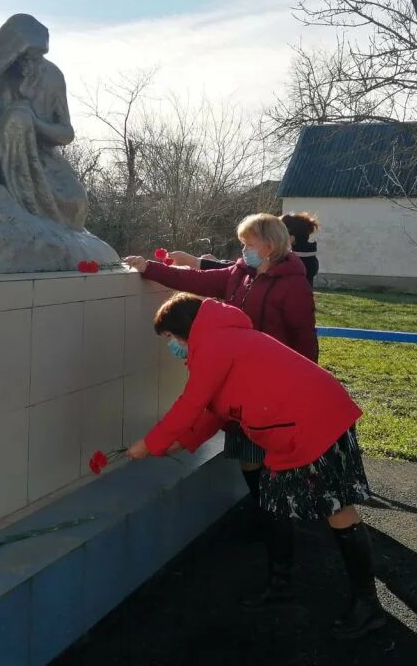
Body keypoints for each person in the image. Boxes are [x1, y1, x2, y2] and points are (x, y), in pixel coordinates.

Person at [126, 294, 386, 639]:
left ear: (184, 330)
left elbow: (191, 403)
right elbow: (213, 410)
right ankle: (281, 586)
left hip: (311, 423)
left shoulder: (215, 344)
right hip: (303, 420)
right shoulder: (221, 340)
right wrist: (181, 442)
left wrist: (149, 444)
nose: (172, 347)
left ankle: (367, 604)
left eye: (171, 339)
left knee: (337, 509)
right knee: (275, 504)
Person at [124, 215, 316, 507]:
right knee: (247, 456)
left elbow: (304, 336)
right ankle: (263, 509)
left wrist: (305, 381)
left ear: (268, 245)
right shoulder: (239, 275)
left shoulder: (293, 284)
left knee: (273, 457)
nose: (244, 250)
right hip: (239, 379)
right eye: (242, 244)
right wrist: (150, 268)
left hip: (274, 382)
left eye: (248, 244)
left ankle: (279, 519)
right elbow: (193, 279)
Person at [0, 14, 87, 229]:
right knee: (15, 119)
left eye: (37, 57)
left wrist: (36, 124)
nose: (31, 65)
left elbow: (66, 133)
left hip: (43, 158)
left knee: (76, 202)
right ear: (12, 53)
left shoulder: (52, 77)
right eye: (25, 58)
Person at [170, 212, 321, 286]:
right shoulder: (303, 261)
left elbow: (246, 272)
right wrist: (217, 262)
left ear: (290, 239)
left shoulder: (289, 265)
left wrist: (196, 262)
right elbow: (245, 268)